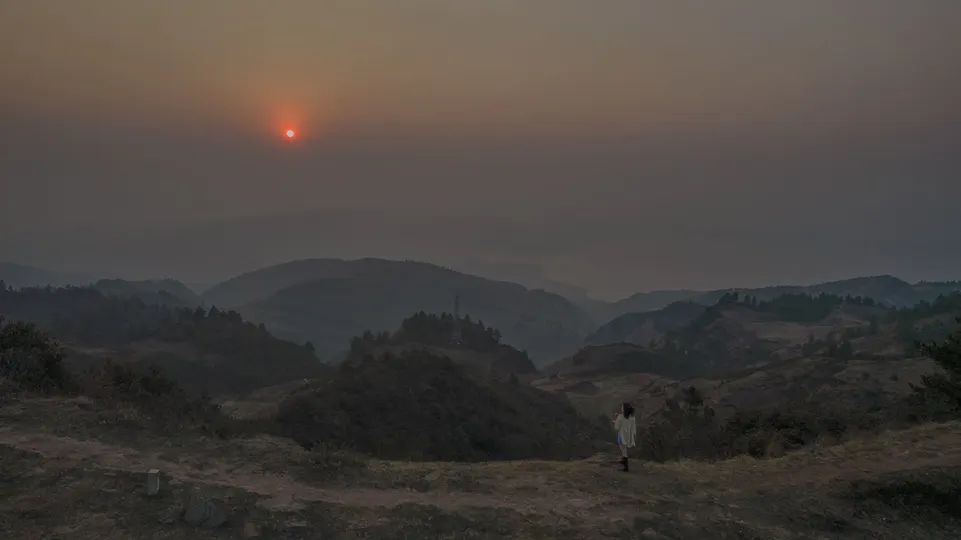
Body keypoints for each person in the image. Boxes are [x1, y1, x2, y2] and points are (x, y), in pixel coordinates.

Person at [612, 402, 636, 472]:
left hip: (622, 435)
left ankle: (625, 465)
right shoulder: (632, 417)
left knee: (622, 448)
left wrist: (614, 421)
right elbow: (633, 427)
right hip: (628, 435)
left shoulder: (621, 417)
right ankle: (624, 461)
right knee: (624, 448)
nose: (621, 408)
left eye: (622, 407)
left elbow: (617, 427)